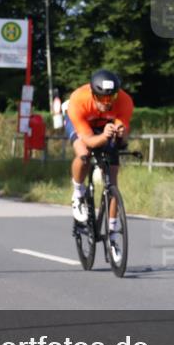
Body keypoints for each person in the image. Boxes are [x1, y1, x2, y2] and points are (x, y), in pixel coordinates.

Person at [64, 69, 134, 245]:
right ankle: (78, 191)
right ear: (93, 94)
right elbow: (88, 140)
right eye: (102, 98)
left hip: (104, 126)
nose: (107, 102)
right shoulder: (79, 100)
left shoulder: (125, 101)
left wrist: (120, 133)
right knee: (84, 154)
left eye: (111, 98)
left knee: (112, 174)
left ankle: (112, 233)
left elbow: (123, 137)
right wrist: (104, 137)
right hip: (82, 125)